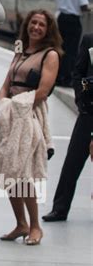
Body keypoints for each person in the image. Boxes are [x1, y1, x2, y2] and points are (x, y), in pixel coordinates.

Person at [0, 10, 62, 245]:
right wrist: (3, 103)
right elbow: (6, 83)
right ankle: (20, 224)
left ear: (48, 29)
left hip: (29, 114)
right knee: (8, 169)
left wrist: (17, 105)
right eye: (33, 22)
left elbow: (43, 91)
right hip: (10, 114)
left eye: (42, 24)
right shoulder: (20, 51)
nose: (36, 27)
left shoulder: (50, 55)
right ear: (27, 25)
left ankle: (35, 227)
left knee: (22, 172)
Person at [43, 32, 93, 222]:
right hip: (88, 112)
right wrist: (81, 98)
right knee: (72, 161)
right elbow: (77, 72)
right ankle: (60, 208)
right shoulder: (89, 40)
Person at [55, 0, 89, 86]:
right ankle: (67, 78)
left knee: (60, 48)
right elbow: (83, 6)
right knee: (72, 50)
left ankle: (58, 76)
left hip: (61, 18)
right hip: (73, 21)